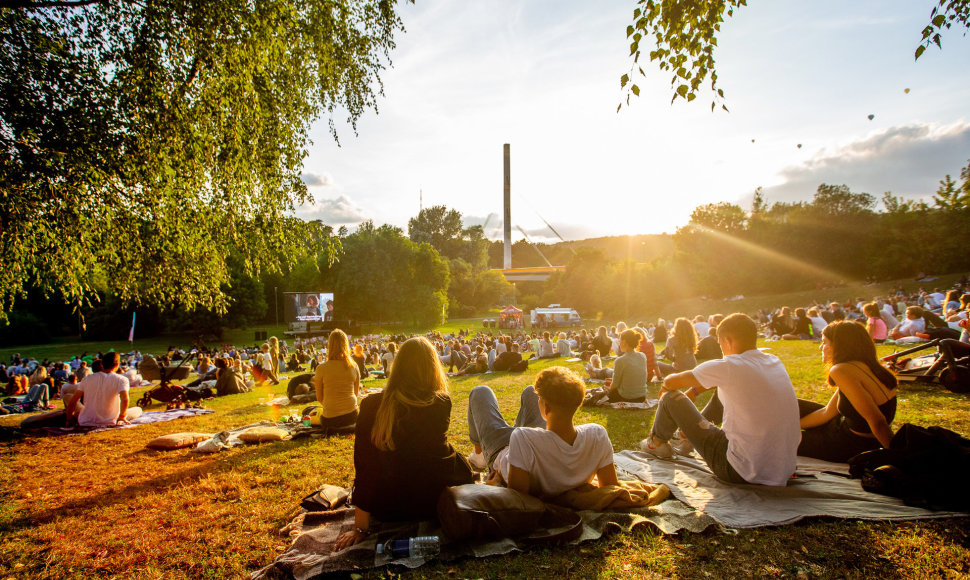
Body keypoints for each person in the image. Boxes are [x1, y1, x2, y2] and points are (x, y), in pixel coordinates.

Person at [335, 337, 473, 550]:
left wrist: (360, 527)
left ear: (397, 367)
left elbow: (366, 467)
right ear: (432, 368)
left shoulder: (372, 405)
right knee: (460, 461)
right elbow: (435, 455)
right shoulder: (440, 402)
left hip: (387, 507)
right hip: (432, 503)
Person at [641, 314, 800, 486]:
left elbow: (671, 382)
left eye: (720, 343)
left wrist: (665, 388)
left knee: (670, 398)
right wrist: (695, 390)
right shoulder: (773, 360)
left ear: (728, 341)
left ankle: (656, 443)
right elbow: (726, 380)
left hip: (739, 470)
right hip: (783, 468)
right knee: (720, 392)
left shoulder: (729, 365)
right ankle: (685, 436)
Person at [466, 366, 618, 498]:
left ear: (547, 409)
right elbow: (609, 487)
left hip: (500, 450)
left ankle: (479, 455)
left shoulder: (522, 437)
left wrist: (496, 486)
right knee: (530, 392)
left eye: (541, 400)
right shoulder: (598, 435)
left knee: (480, 391)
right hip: (535, 440)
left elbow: (518, 498)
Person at [797, 321, 897, 462]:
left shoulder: (842, 370)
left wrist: (898, 457)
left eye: (824, 342)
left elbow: (878, 421)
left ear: (839, 345)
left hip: (848, 443)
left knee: (777, 441)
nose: (821, 347)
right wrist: (792, 426)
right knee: (786, 403)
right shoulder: (865, 366)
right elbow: (827, 412)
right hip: (840, 426)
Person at [66, 351, 143, 426]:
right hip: (110, 420)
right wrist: (122, 416)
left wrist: (69, 419)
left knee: (69, 397)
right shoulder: (121, 379)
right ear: (117, 365)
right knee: (138, 409)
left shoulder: (87, 379)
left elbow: (73, 401)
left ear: (101, 364)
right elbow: (125, 399)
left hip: (86, 420)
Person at [313, 329, 361, 430]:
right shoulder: (354, 366)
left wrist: (333, 407)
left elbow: (319, 398)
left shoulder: (321, 368)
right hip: (352, 416)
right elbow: (355, 394)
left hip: (330, 419)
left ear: (330, 345)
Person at [608, 329, 648, 403]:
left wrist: (608, 389)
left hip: (626, 397)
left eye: (619, 341)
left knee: (608, 393)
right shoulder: (643, 356)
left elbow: (615, 385)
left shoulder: (620, 360)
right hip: (642, 396)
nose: (619, 344)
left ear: (624, 342)